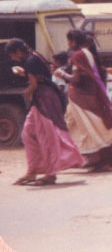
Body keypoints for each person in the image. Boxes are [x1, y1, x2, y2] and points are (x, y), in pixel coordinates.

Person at [6, 38, 83, 185]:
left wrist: (26, 93)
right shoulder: (35, 56)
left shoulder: (29, 61)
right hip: (44, 98)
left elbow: (34, 84)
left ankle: (50, 173)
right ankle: (33, 170)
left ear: (17, 52)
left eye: (12, 55)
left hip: (44, 99)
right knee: (29, 134)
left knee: (45, 136)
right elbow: (38, 75)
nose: (12, 58)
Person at [56, 29, 112, 171]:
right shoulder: (87, 53)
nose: (68, 44)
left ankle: (91, 157)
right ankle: (80, 158)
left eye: (69, 40)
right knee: (88, 125)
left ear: (74, 41)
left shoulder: (77, 55)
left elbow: (76, 78)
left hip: (81, 97)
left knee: (87, 128)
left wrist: (61, 73)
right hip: (89, 95)